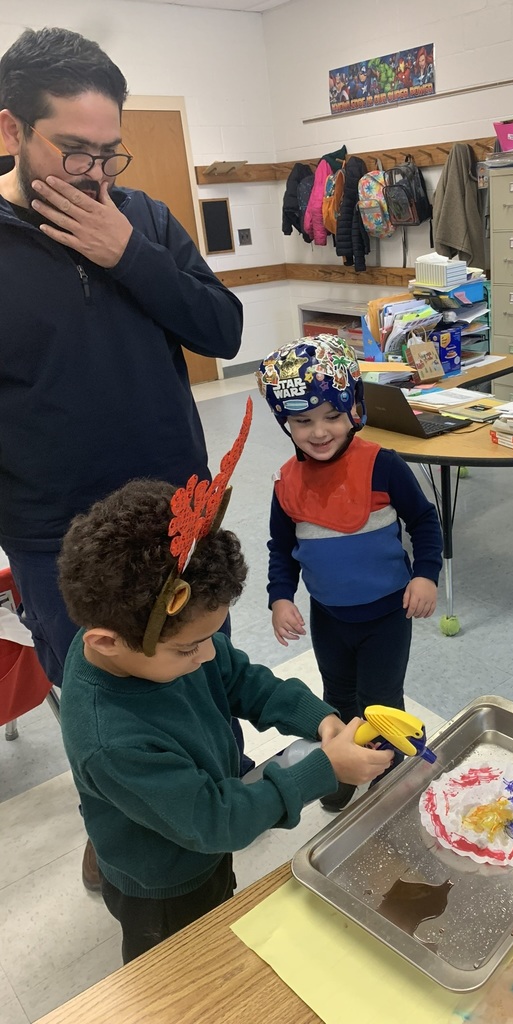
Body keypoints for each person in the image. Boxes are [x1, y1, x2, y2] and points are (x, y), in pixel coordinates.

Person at [0, 26, 246, 884]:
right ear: (9, 132)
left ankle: (221, 790)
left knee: (202, 665)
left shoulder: (143, 219)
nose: (96, 175)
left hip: (180, 518)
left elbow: (223, 329)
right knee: (103, 706)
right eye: (73, 152)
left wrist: (130, 257)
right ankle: (124, 844)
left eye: (110, 153)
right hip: (56, 542)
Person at [57, 476, 392, 964]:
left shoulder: (155, 642)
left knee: (219, 904)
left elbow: (238, 678)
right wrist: (324, 770)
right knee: (184, 972)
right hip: (163, 886)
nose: (208, 654)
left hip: (200, 841)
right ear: (104, 641)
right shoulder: (111, 740)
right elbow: (215, 820)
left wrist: (317, 719)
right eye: (189, 647)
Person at [257, 336, 443, 809]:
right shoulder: (286, 483)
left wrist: (425, 574)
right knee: (337, 696)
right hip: (330, 617)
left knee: (381, 702)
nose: (319, 432)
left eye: (332, 417)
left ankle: (388, 777)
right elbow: (283, 548)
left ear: (354, 410)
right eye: (303, 421)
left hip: (387, 614)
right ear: (286, 423)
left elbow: (423, 520)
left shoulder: (383, 465)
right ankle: (337, 766)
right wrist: (281, 597)